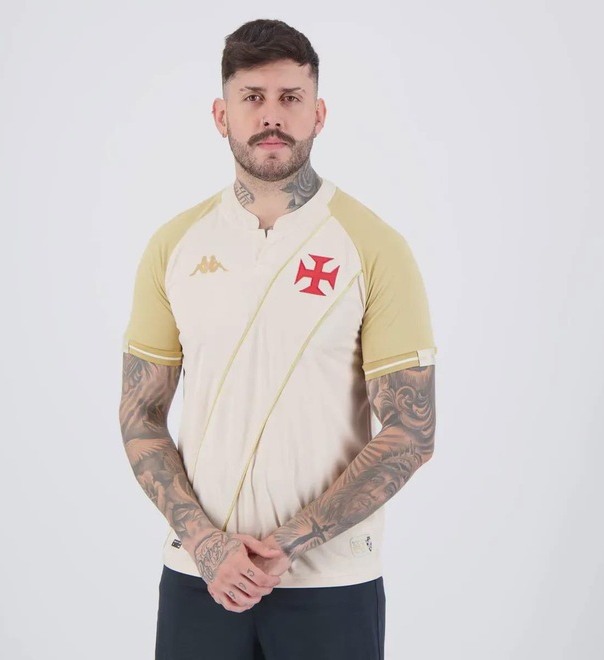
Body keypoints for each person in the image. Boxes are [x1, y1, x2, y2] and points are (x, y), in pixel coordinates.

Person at [119, 17, 437, 660]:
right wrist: (206, 544)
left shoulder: (375, 247)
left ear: (319, 113)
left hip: (332, 584)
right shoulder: (174, 245)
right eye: (252, 97)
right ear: (222, 115)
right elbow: (141, 414)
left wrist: (289, 543)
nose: (272, 115)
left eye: (291, 97)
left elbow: (412, 428)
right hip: (198, 581)